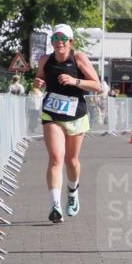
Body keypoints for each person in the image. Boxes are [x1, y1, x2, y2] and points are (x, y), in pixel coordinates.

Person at [34, 24, 100, 223]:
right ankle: (55, 206)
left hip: (75, 115)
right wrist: (37, 85)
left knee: (71, 160)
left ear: (70, 42)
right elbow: (38, 82)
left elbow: (97, 85)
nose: (59, 42)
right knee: (56, 158)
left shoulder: (78, 58)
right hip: (52, 114)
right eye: (55, 38)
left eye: (63, 39)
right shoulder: (45, 60)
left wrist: (75, 81)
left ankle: (72, 191)